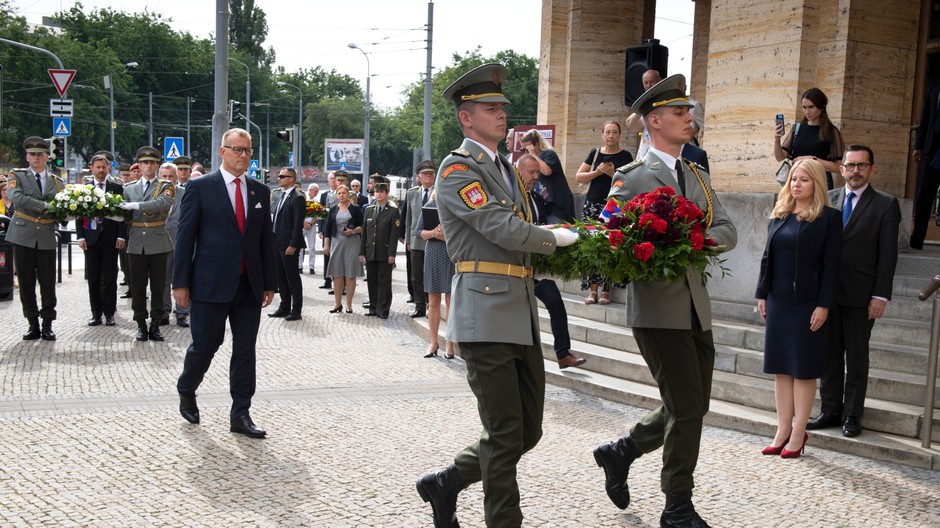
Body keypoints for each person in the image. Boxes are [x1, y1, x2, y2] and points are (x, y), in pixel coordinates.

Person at [415, 63, 578, 528]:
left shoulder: (504, 167)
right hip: (484, 312)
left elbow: (521, 227)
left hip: (519, 312)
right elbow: (498, 226)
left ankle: (446, 482)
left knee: (528, 430)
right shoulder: (456, 168)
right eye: (491, 108)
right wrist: (554, 239)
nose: (502, 114)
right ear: (467, 118)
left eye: (503, 107)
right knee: (506, 433)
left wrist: (553, 234)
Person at [593, 74, 737, 527]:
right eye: (679, 113)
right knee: (688, 405)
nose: (689, 119)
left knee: (690, 403)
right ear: (655, 121)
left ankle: (622, 451)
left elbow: (728, 230)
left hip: (696, 306)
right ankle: (677, 506)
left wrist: (693, 239)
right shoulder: (631, 177)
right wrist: (653, 241)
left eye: (688, 112)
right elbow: (606, 233)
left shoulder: (696, 173)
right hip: (657, 308)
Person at [174, 128, 276, 439]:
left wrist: (269, 282)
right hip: (210, 283)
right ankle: (187, 386)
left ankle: (241, 413)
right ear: (222, 152)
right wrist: (180, 283)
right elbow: (185, 237)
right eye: (236, 150)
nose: (243, 155)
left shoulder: (260, 191)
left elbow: (264, 241)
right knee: (206, 345)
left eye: (247, 150)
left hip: (249, 285)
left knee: (245, 350)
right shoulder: (200, 187)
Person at [807, 145, 901, 437]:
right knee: (829, 356)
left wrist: (880, 296)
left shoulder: (886, 204)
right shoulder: (829, 199)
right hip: (828, 295)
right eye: (850, 165)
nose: (855, 171)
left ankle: (852, 415)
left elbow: (888, 254)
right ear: (841, 169)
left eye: (861, 165)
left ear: (871, 169)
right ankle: (830, 410)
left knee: (857, 358)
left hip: (862, 295)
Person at [755, 159, 841, 459]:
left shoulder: (829, 218)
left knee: (803, 370)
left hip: (809, 304)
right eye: (793, 179)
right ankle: (781, 429)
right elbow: (768, 258)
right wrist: (762, 294)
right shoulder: (778, 214)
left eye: (804, 180)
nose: (796, 185)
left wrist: (824, 305)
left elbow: (832, 267)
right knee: (780, 368)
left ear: (816, 183)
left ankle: (798, 432)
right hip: (778, 301)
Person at [519, 154, 587, 369]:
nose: (535, 177)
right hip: (517, 266)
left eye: (537, 172)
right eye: (531, 172)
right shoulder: (511, 199)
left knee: (556, 304)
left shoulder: (538, 198)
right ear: (518, 171)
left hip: (539, 267)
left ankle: (563, 354)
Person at [5, 136, 64, 340]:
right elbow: (16, 198)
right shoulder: (17, 175)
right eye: (32, 154)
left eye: (40, 154)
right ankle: (32, 323)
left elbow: (62, 207)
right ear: (27, 157)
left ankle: (47, 323)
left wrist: (68, 213)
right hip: (23, 233)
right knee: (26, 282)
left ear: (47, 156)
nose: (36, 157)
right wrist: (46, 206)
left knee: (48, 283)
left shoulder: (58, 181)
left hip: (46, 234)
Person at [575, 119, 634, 304]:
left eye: (614, 132)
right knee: (592, 246)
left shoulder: (626, 156)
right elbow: (579, 176)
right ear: (602, 134)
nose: (611, 136)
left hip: (614, 206)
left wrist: (612, 174)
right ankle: (592, 290)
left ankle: (607, 289)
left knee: (611, 245)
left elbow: (631, 182)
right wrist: (598, 172)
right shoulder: (594, 153)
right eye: (607, 132)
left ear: (619, 135)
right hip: (592, 205)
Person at [119, 146, 175, 342]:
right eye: (145, 163)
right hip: (136, 242)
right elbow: (124, 215)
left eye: (152, 163)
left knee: (158, 287)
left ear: (157, 166)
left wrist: (136, 206)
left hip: (159, 241)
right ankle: (141, 324)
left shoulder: (165, 186)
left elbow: (162, 204)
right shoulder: (129, 188)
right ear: (140, 166)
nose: (148, 166)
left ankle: (155, 324)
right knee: (138, 286)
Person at [76, 154, 127, 327]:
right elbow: (79, 215)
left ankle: (109, 313)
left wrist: (121, 236)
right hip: (90, 239)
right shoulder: (84, 189)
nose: (100, 170)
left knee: (110, 277)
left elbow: (123, 214)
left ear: (109, 168)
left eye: (103, 167)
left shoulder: (116, 188)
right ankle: (95, 314)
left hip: (111, 239)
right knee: (94, 278)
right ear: (91, 168)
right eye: (97, 167)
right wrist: (80, 236)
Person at [773, 87, 845, 190]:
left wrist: (812, 159)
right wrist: (777, 139)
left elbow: (838, 167)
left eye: (811, 107)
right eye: (804, 107)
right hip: (796, 183)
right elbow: (780, 157)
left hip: (819, 183)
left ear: (821, 107)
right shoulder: (797, 128)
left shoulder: (831, 132)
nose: (807, 111)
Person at [415, 190, 455, 359]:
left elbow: (463, 235)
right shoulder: (429, 207)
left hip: (451, 253)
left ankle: (450, 343)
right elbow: (419, 232)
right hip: (433, 254)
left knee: (451, 299)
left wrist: (445, 237)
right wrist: (433, 233)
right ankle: (433, 342)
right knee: (433, 300)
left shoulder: (456, 208)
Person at [269, 168, 306, 321]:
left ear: (291, 179)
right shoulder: (281, 195)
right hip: (277, 242)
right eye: (279, 176)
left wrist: (293, 244)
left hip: (289, 244)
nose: (279, 178)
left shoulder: (297, 197)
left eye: (283, 176)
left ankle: (296, 310)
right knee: (281, 277)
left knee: (292, 278)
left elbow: (298, 224)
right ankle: (284, 307)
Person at [359, 177, 399, 319]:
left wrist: (392, 254)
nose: (379, 194)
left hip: (384, 251)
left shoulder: (393, 211)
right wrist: (362, 251)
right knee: (372, 280)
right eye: (377, 192)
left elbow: (394, 235)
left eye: (382, 192)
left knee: (384, 281)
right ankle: (373, 307)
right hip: (371, 251)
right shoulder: (369, 210)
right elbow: (365, 232)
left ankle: (383, 309)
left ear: (387, 193)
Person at [519, 128, 575, 223]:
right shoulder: (533, 160)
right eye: (523, 150)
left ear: (536, 145)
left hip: (557, 206)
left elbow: (547, 171)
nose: (525, 153)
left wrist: (533, 154)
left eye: (527, 149)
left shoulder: (549, 154)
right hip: (544, 206)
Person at [323, 184, 364, 313]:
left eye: (344, 193)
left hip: (352, 242)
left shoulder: (355, 209)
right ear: (336, 195)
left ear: (348, 194)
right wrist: (326, 244)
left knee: (350, 274)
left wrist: (352, 231)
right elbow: (328, 228)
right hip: (337, 242)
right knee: (337, 274)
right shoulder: (333, 209)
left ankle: (349, 304)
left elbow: (363, 226)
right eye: (339, 193)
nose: (342, 195)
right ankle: (337, 304)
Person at [404, 160, 436, 318]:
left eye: (431, 174)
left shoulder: (440, 191)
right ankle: (419, 305)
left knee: (431, 274)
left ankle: (431, 305)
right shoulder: (412, 192)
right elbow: (409, 218)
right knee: (416, 275)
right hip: (416, 240)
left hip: (434, 239)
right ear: (419, 177)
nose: (428, 176)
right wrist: (408, 240)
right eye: (425, 174)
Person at [910, 80, 940, 250]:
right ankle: (917, 239)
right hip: (931, 148)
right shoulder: (934, 86)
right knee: (925, 194)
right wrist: (919, 146)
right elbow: (926, 116)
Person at [161, 162, 190, 327]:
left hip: (181, 243)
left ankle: (182, 313)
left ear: (176, 176)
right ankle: (164, 312)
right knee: (162, 280)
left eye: (170, 176)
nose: (167, 180)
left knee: (182, 278)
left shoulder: (185, 193)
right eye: (164, 176)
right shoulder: (153, 193)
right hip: (160, 243)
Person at [625, 69, 663, 159]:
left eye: (652, 82)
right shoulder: (644, 105)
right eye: (646, 83)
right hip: (645, 158)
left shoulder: (667, 103)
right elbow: (631, 125)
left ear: (659, 81)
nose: (648, 86)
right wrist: (643, 104)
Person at [302, 183, 321, 274]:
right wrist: (304, 223)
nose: (317, 193)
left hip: (312, 225)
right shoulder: (303, 198)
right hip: (302, 225)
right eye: (315, 191)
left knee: (312, 246)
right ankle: (299, 266)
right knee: (300, 247)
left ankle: (311, 266)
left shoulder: (317, 201)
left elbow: (318, 214)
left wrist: (312, 223)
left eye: (317, 191)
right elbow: (299, 212)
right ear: (310, 190)